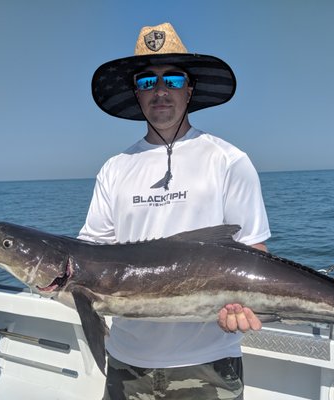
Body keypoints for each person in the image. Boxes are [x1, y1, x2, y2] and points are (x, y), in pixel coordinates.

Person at [79, 22, 270, 400]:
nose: (160, 91)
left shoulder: (229, 160)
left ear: (190, 89)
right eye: (148, 82)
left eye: (173, 79)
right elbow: (90, 255)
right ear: (137, 94)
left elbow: (254, 252)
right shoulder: (114, 168)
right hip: (126, 362)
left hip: (209, 362)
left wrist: (242, 302)